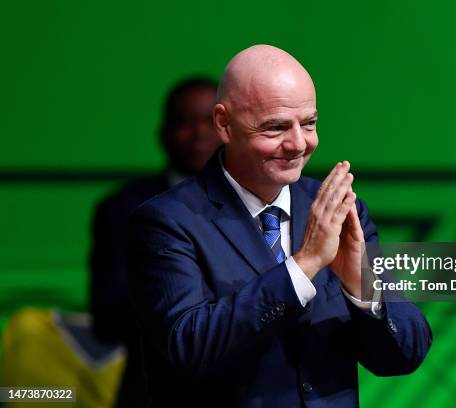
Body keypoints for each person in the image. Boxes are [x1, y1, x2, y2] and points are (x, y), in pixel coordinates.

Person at [127, 44, 432, 407]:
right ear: (224, 123)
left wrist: (360, 286)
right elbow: (187, 347)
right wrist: (303, 267)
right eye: (275, 128)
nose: (298, 143)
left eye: (309, 123)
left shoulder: (338, 209)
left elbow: (405, 353)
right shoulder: (168, 220)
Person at [89, 76, 220, 407]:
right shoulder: (123, 208)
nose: (199, 133)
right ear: (163, 135)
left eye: (210, 122)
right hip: (152, 392)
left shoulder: (265, 204)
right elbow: (106, 316)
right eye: (185, 122)